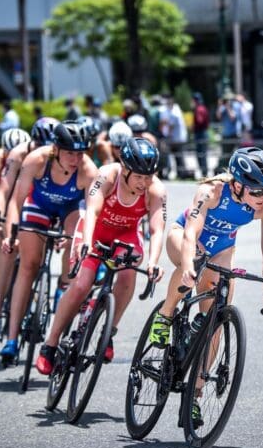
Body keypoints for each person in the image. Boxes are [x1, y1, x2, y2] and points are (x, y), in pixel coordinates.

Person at [36, 137, 167, 373]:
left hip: (126, 234)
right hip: (95, 230)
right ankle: (50, 344)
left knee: (128, 275)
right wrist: (86, 242)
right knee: (81, 284)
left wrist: (154, 262)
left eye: (148, 176)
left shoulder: (155, 190)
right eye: (139, 176)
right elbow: (92, 210)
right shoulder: (107, 175)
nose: (144, 182)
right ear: (124, 168)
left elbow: (157, 229)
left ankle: (109, 332)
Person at [146, 147, 263, 359]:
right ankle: (165, 314)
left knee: (216, 317)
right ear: (237, 185)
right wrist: (189, 267)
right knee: (195, 259)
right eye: (257, 191)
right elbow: (191, 233)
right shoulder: (212, 192)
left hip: (222, 248)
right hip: (184, 236)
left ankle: (198, 385)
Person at [0, 121, 99, 361]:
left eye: (80, 152)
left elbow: (92, 212)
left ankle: (64, 286)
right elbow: (16, 200)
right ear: (56, 149)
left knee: (75, 243)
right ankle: (11, 339)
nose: (75, 159)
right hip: (39, 206)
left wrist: (82, 242)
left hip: (71, 210)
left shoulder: (89, 171)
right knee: (29, 265)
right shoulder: (37, 160)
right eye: (69, 153)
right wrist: (11, 234)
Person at [0, 117, 59, 340]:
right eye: (38, 145)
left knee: (36, 256)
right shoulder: (18, 154)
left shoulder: (59, 156)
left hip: (43, 203)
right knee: (6, 246)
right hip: (17, 202)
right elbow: (3, 191)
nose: (42, 150)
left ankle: (35, 300)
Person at [215, 91, 242, 172]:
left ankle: (233, 171)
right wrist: (219, 106)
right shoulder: (223, 107)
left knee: (233, 155)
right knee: (225, 154)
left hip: (233, 134)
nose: (227, 101)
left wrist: (228, 107)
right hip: (225, 134)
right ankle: (224, 170)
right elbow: (218, 117)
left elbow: (232, 117)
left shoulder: (236, 106)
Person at [192, 92, 210, 177]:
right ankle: (204, 172)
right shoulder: (203, 108)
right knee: (203, 154)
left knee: (200, 154)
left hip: (200, 133)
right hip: (203, 132)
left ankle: (204, 173)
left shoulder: (198, 109)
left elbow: (200, 121)